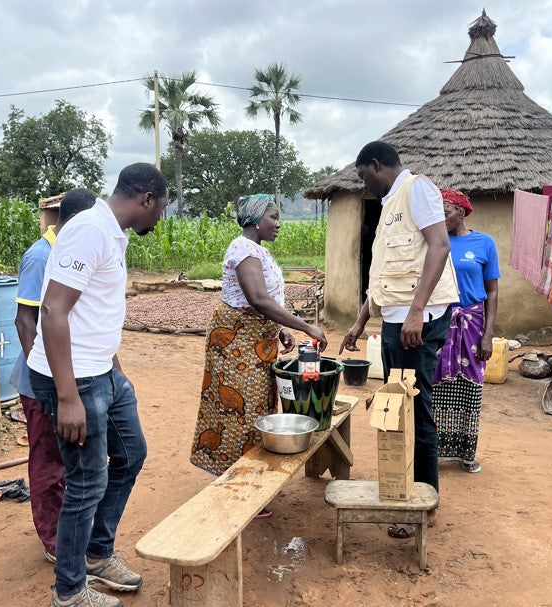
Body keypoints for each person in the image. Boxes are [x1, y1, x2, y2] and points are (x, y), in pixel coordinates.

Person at [28, 163, 168, 607]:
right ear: (146, 198)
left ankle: (97, 552)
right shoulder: (90, 229)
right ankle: (69, 591)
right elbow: (52, 312)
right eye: (160, 208)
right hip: (74, 380)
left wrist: (117, 369)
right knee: (86, 481)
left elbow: (93, 311)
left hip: (103, 371)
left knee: (130, 454)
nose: (159, 218)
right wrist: (68, 398)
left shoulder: (112, 233)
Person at [338, 141, 459, 539]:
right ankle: (404, 488)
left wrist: (415, 311)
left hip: (417, 321)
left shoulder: (417, 189)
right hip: (397, 322)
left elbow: (439, 247)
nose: (364, 185)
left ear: (376, 165)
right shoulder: (390, 204)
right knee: (397, 404)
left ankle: (424, 502)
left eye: (363, 176)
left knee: (414, 408)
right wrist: (359, 323)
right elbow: (384, 275)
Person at [190, 194, 327, 511]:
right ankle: (239, 484)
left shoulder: (257, 250)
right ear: (254, 219)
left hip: (256, 341)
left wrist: (280, 330)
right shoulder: (243, 249)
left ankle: (246, 479)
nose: (279, 224)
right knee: (241, 412)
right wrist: (307, 327)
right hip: (237, 343)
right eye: (274, 217)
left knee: (259, 407)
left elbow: (264, 301)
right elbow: (258, 299)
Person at [9, 188, 96, 564]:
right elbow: (25, 322)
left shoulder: (75, 253)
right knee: (48, 462)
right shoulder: (39, 256)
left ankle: (70, 531)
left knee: (70, 460)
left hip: (72, 378)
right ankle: (53, 541)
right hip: (43, 382)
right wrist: (50, 387)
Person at [430, 189, 500, 474]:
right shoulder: (435, 242)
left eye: (446, 212)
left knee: (471, 386)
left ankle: (466, 452)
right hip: (440, 320)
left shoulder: (484, 243)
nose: (442, 218)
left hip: (472, 324)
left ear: (462, 212)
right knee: (435, 384)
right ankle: (433, 450)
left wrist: (488, 334)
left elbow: (493, 291)